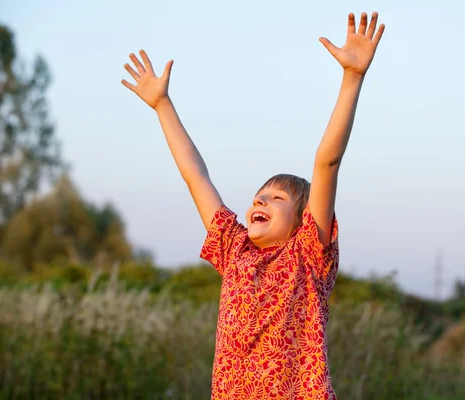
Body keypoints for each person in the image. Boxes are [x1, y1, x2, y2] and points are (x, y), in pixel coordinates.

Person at [122, 11, 385, 400]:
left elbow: (327, 162)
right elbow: (196, 176)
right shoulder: (234, 248)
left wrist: (352, 79)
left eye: (277, 199)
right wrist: (162, 105)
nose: (261, 201)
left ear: (303, 221)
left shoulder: (309, 252)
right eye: (258, 196)